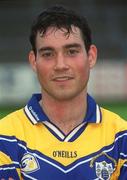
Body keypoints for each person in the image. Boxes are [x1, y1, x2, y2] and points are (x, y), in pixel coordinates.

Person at [0, 5, 127, 180]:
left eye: (72, 51)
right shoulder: (5, 137)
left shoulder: (121, 137)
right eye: (48, 54)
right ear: (33, 61)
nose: (60, 65)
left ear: (91, 56)